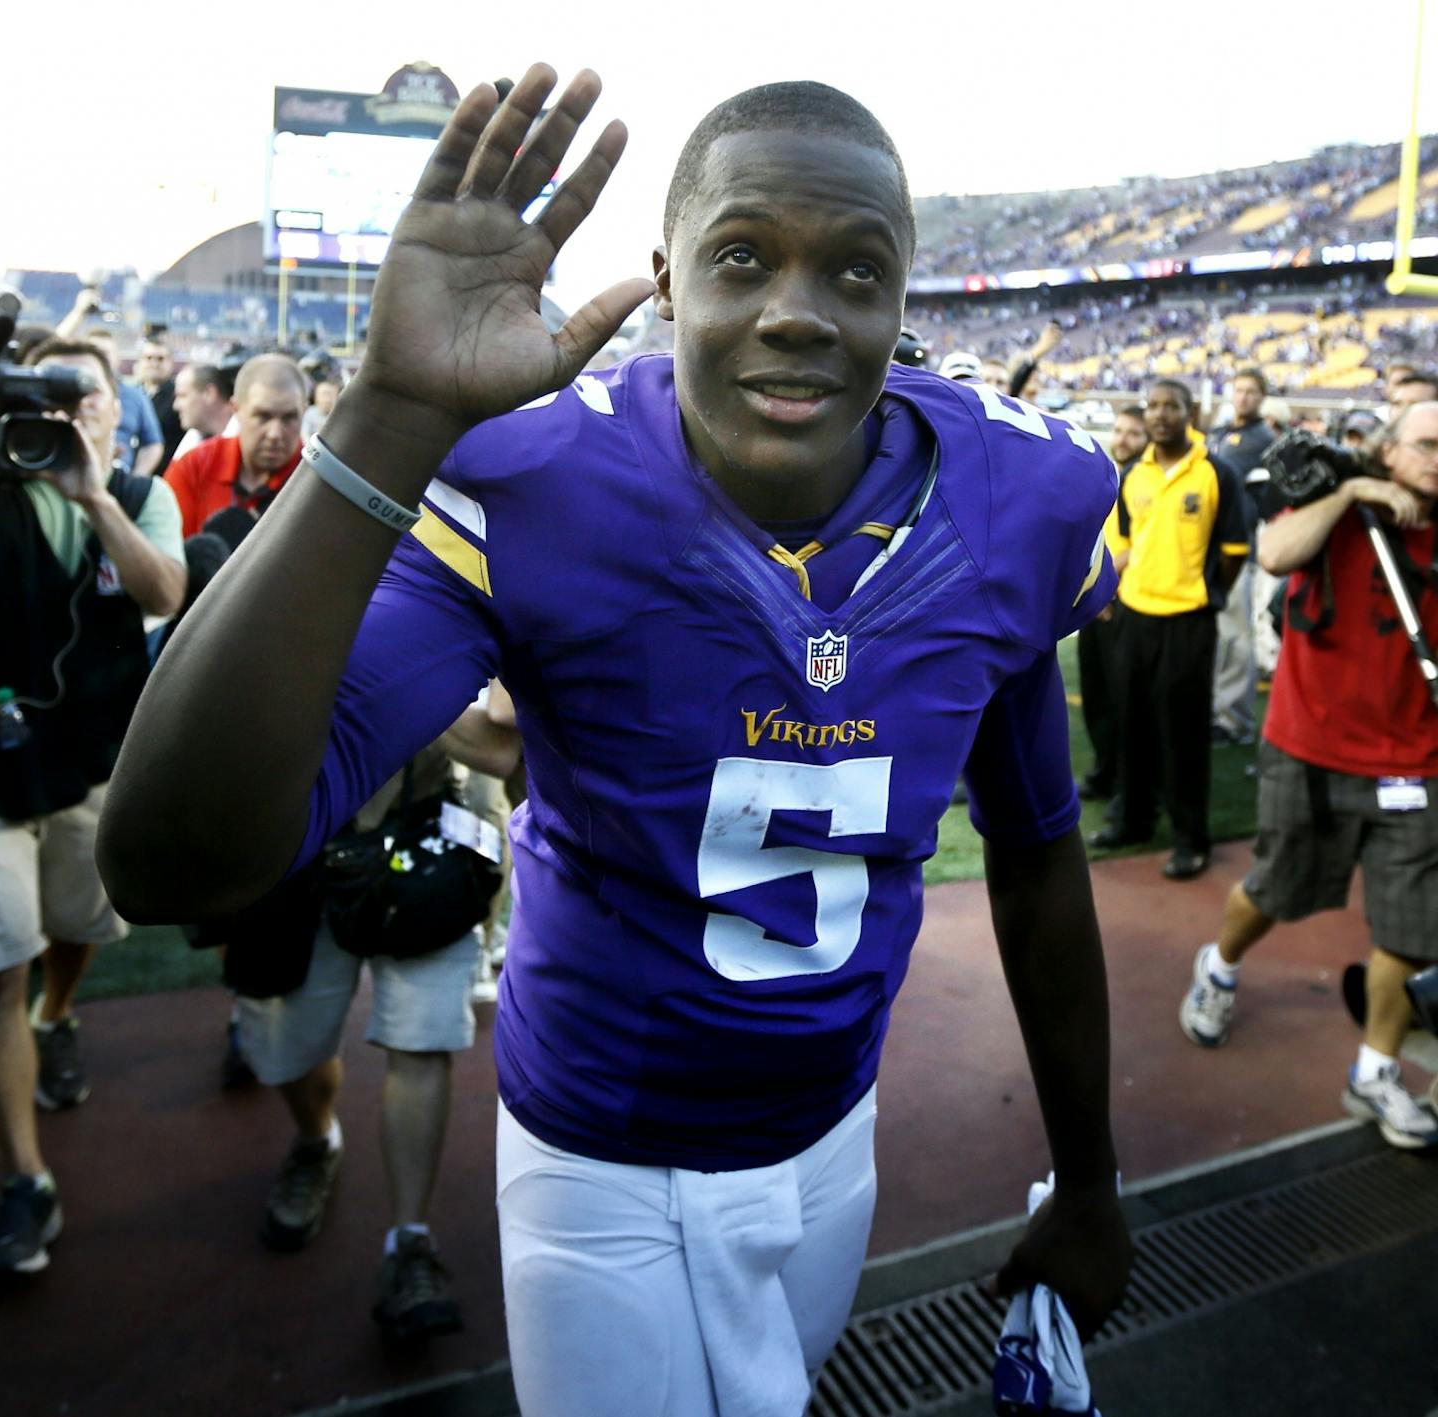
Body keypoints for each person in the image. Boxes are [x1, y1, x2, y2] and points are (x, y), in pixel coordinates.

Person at [100, 70, 1129, 1415]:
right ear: (666, 275)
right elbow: (175, 862)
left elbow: (1039, 852)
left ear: (902, 294)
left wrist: (1093, 1176)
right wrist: (393, 417)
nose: (799, 312)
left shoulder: (1018, 497)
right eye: (744, 256)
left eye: (857, 270)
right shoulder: (539, 478)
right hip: (604, 1136)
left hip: (833, 1125)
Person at [0, 336, 184, 1285]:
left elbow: (163, 594)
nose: (67, 419)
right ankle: (26, 1173)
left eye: (85, 399)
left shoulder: (141, 495)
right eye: (49, 401)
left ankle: (57, 1015)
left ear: (118, 409)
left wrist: (94, 495)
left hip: (87, 761)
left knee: (75, 921)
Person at [1178, 402, 1438, 1150]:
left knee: (1412, 931)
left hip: (1417, 762)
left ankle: (1375, 1071)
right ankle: (1220, 966)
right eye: (1424, 445)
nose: (1435, 458)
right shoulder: (1337, 502)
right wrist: (1352, 495)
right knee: (1275, 890)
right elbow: (1277, 552)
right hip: (1314, 749)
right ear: (1388, 450)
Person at [229, 741, 490, 1344]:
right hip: (295, 839)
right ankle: (316, 1140)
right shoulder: (272, 641)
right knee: (285, 1049)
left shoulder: (443, 642)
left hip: (426, 830)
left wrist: (427, 697)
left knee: (420, 1042)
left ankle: (409, 1241)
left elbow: (501, 738)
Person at [1091, 379, 1249, 879]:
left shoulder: (1216, 473)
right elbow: (1121, 543)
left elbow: (1232, 554)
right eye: (1153, 406)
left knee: (1183, 735)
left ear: (1190, 411)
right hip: (1135, 618)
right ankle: (1133, 819)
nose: (1160, 415)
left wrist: (1197, 593)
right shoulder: (1132, 474)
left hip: (1187, 623)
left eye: (1170, 406)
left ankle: (1189, 837)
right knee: (1131, 725)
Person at [1078, 407, 1150, 804]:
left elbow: (1142, 543)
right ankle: (1107, 773)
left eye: (1132, 433)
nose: (1121, 439)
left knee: (1124, 701)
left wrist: (1101, 587)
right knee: (1098, 694)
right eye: (1119, 430)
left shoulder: (1142, 479)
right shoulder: (1111, 472)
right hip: (1100, 594)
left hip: (1122, 599)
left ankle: (1126, 784)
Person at [162, 352, 307, 536]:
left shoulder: (319, 485)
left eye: (289, 418)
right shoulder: (193, 467)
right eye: (262, 417)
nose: (275, 434)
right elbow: (166, 557)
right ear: (235, 410)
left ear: (304, 412)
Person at [1206, 369, 1273, 746]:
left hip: (1235, 546)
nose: (1244, 397)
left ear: (1262, 398)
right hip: (1211, 544)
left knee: (1236, 635)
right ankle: (1219, 711)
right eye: (1240, 390)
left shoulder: (1259, 438)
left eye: (1252, 391)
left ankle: (1234, 720)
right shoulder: (1223, 432)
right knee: (1219, 635)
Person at [85, 327, 165, 476]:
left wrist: (136, 479)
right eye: (94, 353)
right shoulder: (71, 394)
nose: (100, 359)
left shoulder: (135, 396)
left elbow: (153, 443)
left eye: (105, 354)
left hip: (120, 478)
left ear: (117, 358)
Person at [169, 361, 236, 462]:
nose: (175, 406)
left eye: (182, 396)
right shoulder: (192, 438)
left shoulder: (247, 442)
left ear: (209, 393)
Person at [137, 337, 182, 473]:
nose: (154, 363)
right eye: (148, 358)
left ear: (170, 362)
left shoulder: (179, 396)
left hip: (164, 475)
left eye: (160, 359)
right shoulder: (134, 395)